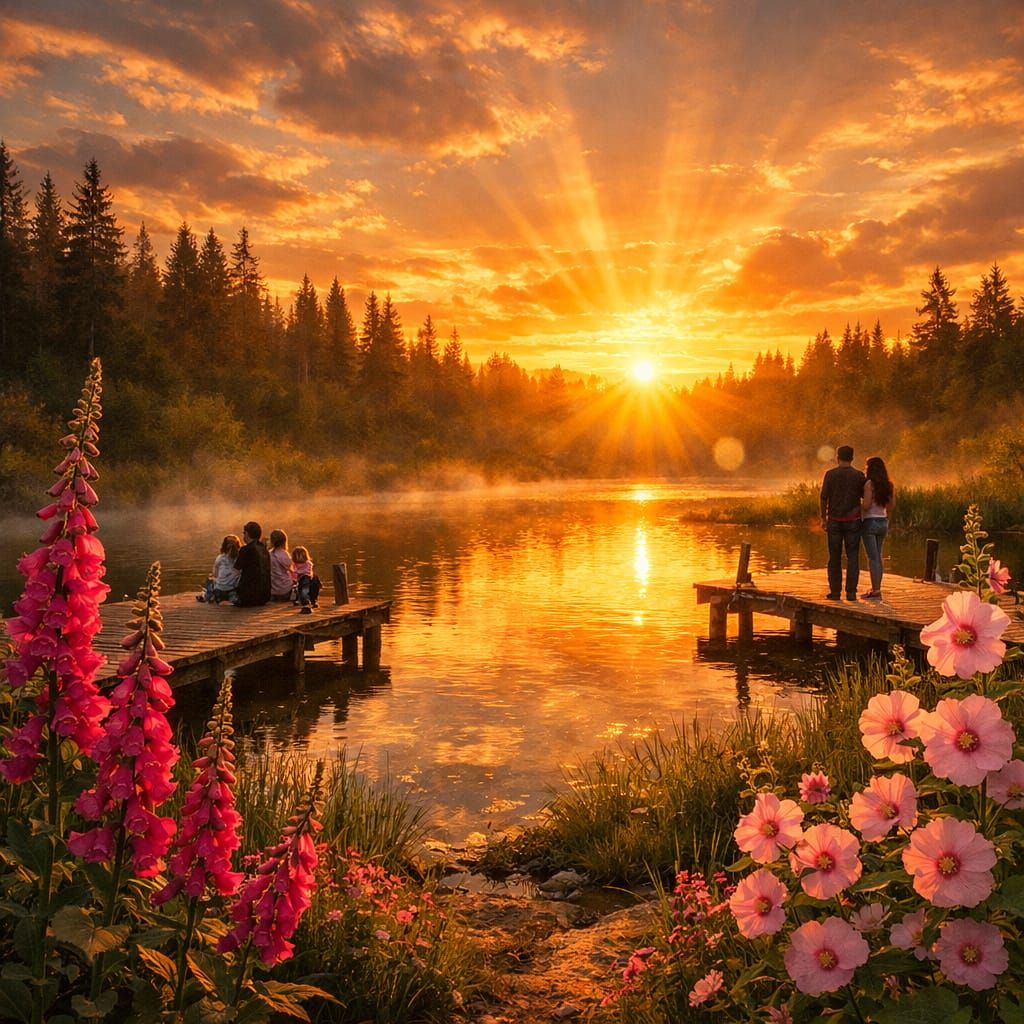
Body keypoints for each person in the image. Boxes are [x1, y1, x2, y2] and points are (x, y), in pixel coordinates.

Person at [820, 445, 865, 601]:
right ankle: (851, 593)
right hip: (853, 522)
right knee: (853, 557)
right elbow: (864, 496)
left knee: (834, 557)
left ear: (837, 458)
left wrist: (823, 518)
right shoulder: (859, 475)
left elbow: (823, 497)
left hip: (834, 521)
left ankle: (835, 592)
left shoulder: (830, 475)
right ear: (852, 458)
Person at [860, 456, 894, 600]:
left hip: (870, 522)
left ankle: (875, 590)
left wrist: (858, 506)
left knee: (873, 558)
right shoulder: (888, 485)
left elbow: (867, 505)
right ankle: (877, 588)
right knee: (879, 556)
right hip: (883, 522)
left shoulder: (869, 484)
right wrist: (886, 519)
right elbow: (890, 506)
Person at [233, 521, 271, 607]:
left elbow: (236, 570)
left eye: (244, 533)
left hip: (248, 597)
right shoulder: (264, 549)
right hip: (264, 596)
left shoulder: (245, 550)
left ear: (247, 534)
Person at [208, 534, 241, 603]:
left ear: (224, 546)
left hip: (219, 589)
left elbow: (215, 574)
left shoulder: (220, 558)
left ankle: (210, 595)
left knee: (210, 578)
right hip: (233, 589)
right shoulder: (240, 558)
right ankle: (231, 597)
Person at [291, 545, 322, 613]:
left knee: (305, 589)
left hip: (307, 578)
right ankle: (299, 599)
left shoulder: (308, 563)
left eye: (300, 555)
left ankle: (309, 601)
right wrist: (294, 579)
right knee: (297, 588)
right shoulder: (294, 564)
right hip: (299, 579)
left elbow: (307, 571)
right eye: (297, 555)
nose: (299, 557)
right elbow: (293, 572)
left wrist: (298, 573)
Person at [268, 529, 294, 602]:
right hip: (285, 590)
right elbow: (290, 568)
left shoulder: (268, 554)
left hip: (272, 591)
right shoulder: (284, 554)